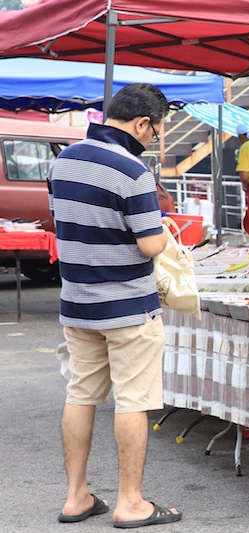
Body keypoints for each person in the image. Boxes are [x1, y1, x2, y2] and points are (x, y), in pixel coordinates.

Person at [48, 83, 182, 528]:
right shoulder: (132, 171)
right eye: (157, 132)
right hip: (127, 305)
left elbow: (67, 224)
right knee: (133, 400)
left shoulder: (63, 161)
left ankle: (75, 498)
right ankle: (130, 503)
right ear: (142, 123)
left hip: (77, 302)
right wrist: (162, 231)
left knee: (81, 394)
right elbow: (149, 245)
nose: (154, 140)